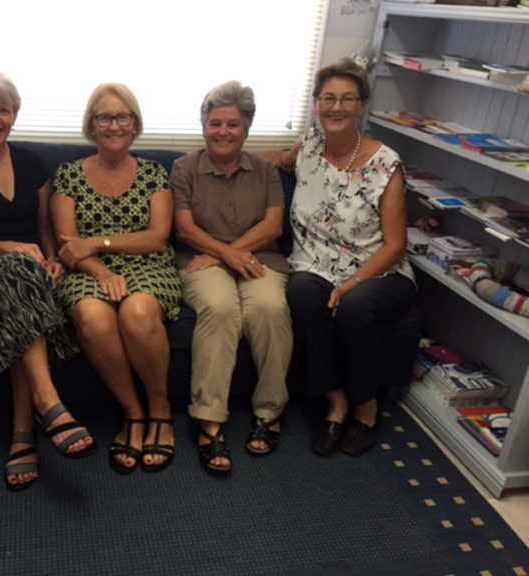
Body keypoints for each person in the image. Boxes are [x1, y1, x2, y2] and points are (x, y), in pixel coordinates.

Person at [0, 70, 96, 492]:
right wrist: (7, 246)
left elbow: (44, 227)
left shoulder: (31, 163)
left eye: (4, 110)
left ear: (14, 115)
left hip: (29, 269)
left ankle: (23, 431)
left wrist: (54, 259)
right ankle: (47, 402)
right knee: (18, 277)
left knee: (23, 287)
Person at [280, 58, 417, 457]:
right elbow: (279, 161)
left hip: (379, 271)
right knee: (302, 296)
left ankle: (366, 407)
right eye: (328, 98)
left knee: (354, 309)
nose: (336, 107)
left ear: (361, 106)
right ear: (316, 103)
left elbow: (395, 245)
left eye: (347, 99)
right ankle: (336, 403)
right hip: (315, 264)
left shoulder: (385, 163)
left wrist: (353, 283)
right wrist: (230, 157)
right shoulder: (307, 145)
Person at [51, 83, 182, 475]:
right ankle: (133, 412)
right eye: (104, 117)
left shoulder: (155, 173)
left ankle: (160, 410)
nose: (113, 126)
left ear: (135, 124)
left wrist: (99, 242)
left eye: (122, 117)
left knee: (137, 312)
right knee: (91, 315)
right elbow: (68, 244)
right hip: (87, 269)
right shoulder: (68, 175)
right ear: (92, 125)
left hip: (148, 264)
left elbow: (157, 237)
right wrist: (101, 269)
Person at [171, 80, 292, 475]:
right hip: (200, 260)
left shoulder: (266, 170)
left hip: (260, 256)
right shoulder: (184, 168)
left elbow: (273, 226)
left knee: (269, 308)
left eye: (233, 124)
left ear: (247, 129)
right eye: (215, 123)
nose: (223, 131)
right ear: (203, 126)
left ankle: (270, 412)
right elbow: (184, 228)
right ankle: (208, 420)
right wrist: (222, 255)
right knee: (221, 308)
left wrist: (229, 251)